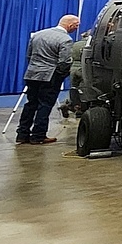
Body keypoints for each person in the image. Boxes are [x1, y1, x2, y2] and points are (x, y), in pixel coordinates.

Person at [15, 14, 78, 146]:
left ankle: (22, 134)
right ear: (70, 25)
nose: (76, 28)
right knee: (45, 105)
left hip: (32, 74)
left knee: (30, 104)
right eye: (76, 25)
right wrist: (60, 75)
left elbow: (29, 55)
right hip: (50, 76)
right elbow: (65, 61)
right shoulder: (65, 39)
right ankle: (38, 136)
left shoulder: (38, 34)